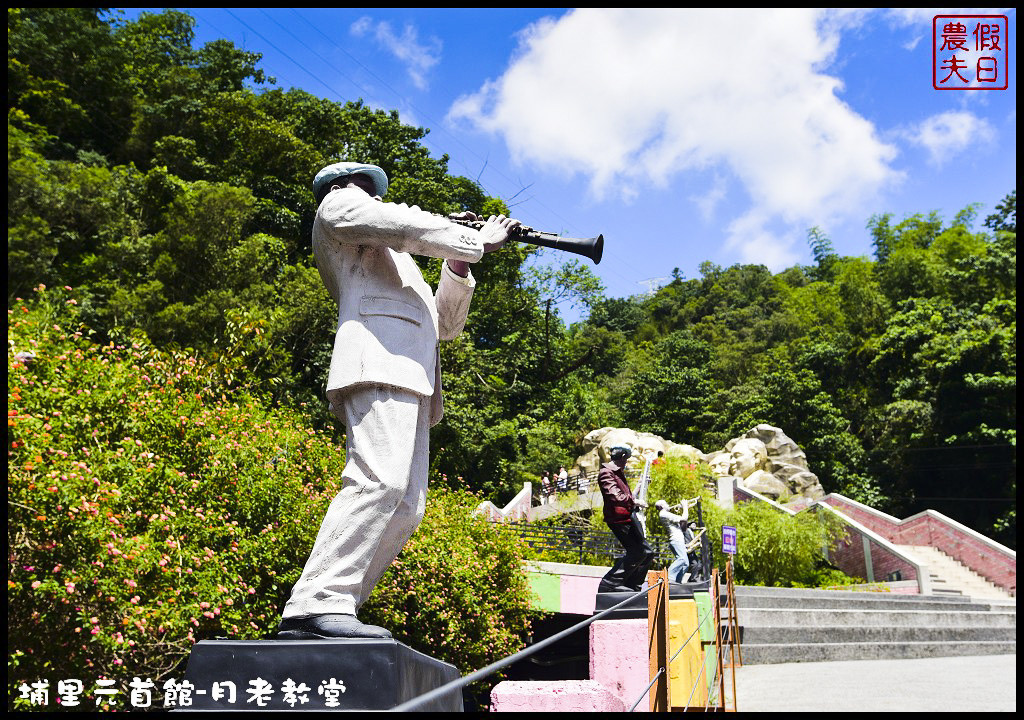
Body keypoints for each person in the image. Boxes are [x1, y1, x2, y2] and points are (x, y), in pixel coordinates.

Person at [277, 161, 520, 640]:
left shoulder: (399, 258)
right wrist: (468, 236)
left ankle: (335, 605)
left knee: (408, 504)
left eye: (372, 189)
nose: (368, 195)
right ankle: (317, 601)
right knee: (377, 482)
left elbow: (444, 327)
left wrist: (458, 265)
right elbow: (400, 222)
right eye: (363, 188)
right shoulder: (339, 207)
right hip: (376, 360)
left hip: (414, 376)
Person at [597, 445, 655, 593]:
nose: (627, 463)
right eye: (627, 459)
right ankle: (610, 582)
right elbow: (615, 496)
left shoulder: (617, 473)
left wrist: (640, 485)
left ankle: (632, 586)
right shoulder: (606, 473)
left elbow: (627, 496)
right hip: (619, 519)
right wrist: (635, 502)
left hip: (627, 517)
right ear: (622, 457)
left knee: (647, 553)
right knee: (638, 552)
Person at [655, 499, 691, 583]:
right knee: (681, 558)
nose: (668, 505)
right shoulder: (663, 514)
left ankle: (678, 581)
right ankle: (668, 577)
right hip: (675, 539)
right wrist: (685, 507)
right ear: (662, 506)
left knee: (686, 563)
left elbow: (683, 526)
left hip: (679, 539)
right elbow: (684, 518)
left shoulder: (666, 514)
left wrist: (682, 509)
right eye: (666, 503)